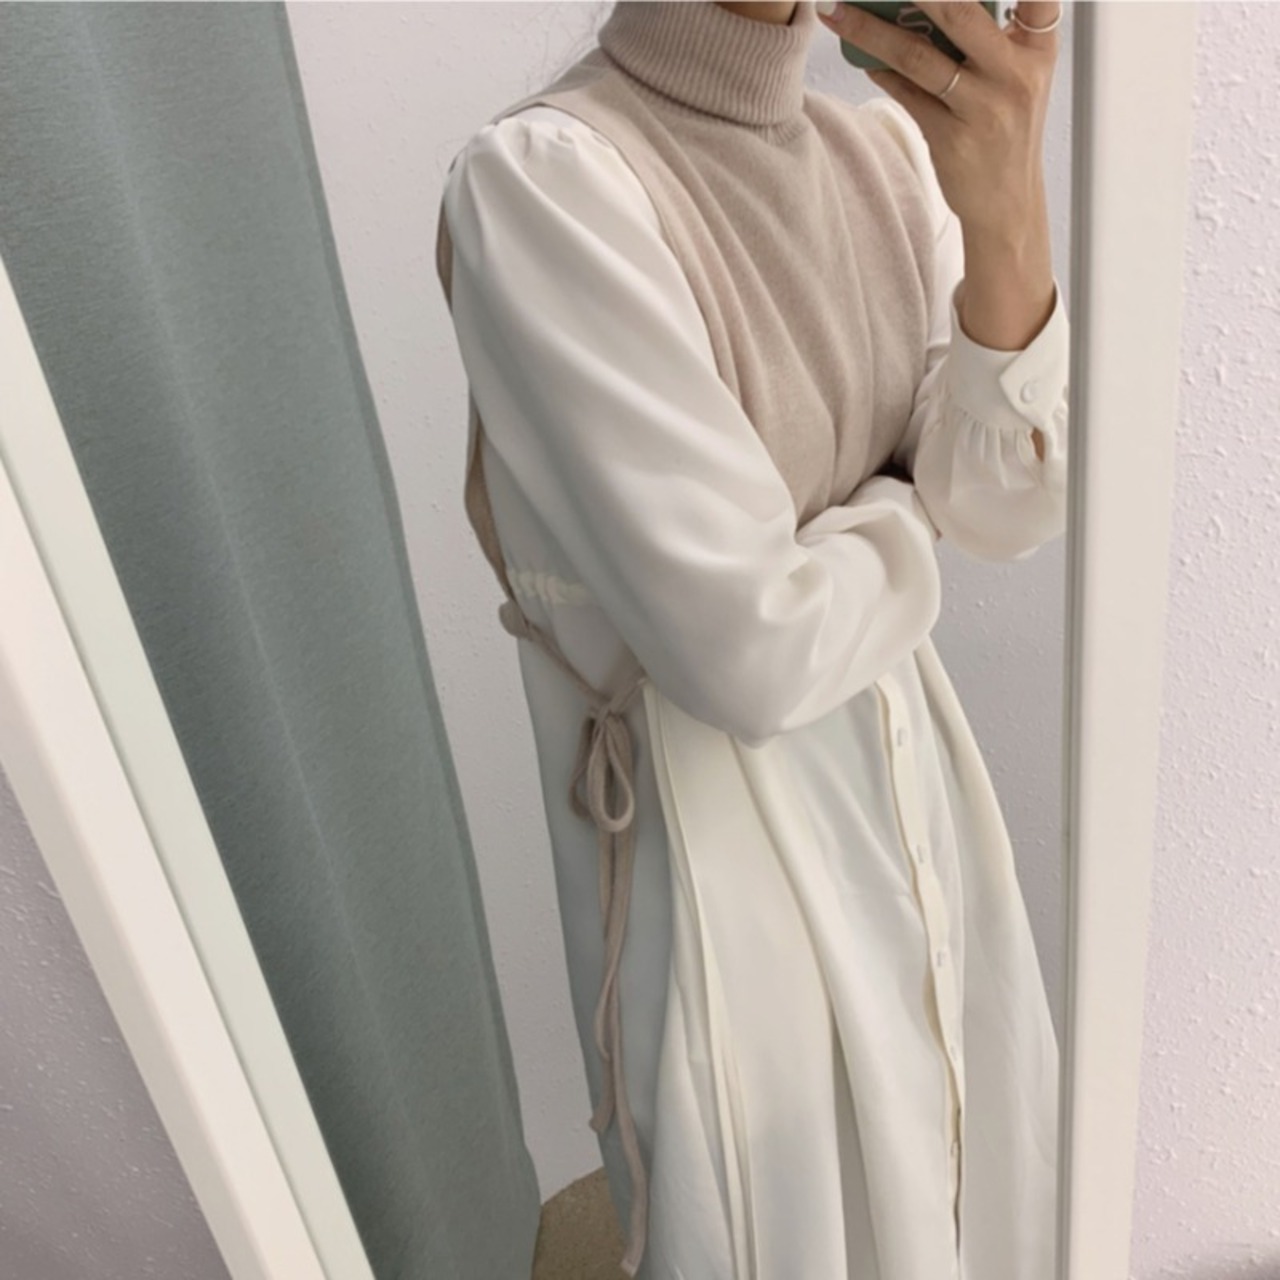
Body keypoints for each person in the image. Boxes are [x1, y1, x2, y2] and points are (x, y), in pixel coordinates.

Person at [435, 2, 1068, 1276]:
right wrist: (908, 501)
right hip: (715, 854)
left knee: (968, 1168)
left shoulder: (883, 160)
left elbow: (1004, 504)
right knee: (784, 1216)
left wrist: (1004, 210)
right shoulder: (547, 184)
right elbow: (753, 652)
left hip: (918, 792)